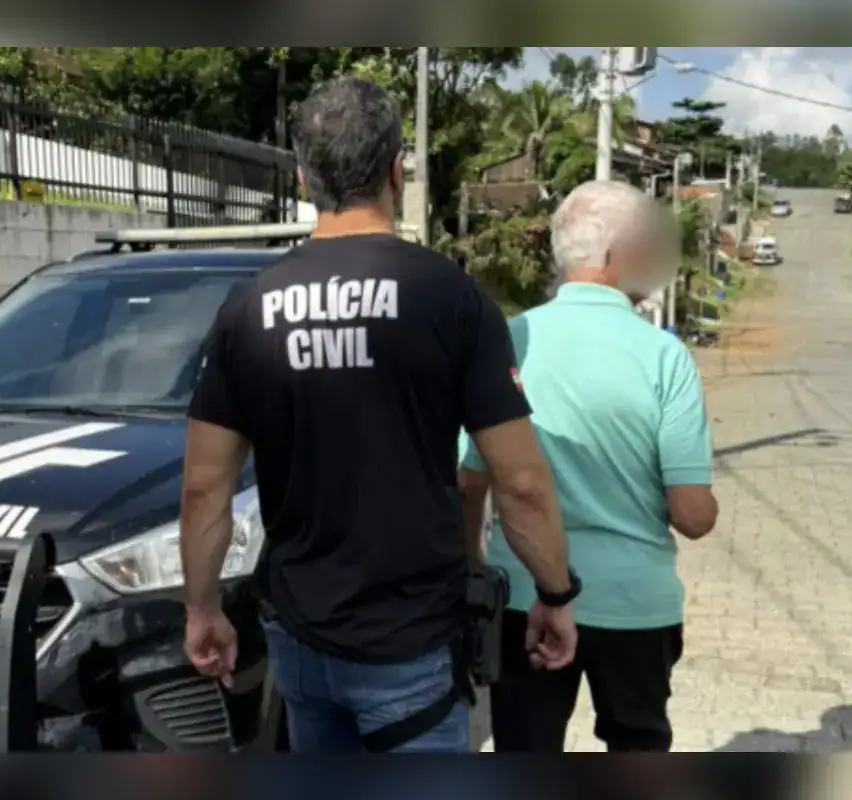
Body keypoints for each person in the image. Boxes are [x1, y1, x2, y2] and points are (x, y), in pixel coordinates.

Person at [177, 76, 580, 754]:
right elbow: (521, 482)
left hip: (299, 639)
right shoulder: (452, 299)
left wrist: (202, 606)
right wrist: (556, 594)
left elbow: (202, 487)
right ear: (397, 169)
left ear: (302, 178)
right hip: (413, 645)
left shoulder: (247, 309)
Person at [459, 179, 719, 753]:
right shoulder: (665, 356)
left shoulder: (509, 339)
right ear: (618, 254)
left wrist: (475, 565)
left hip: (523, 593)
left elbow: (468, 482)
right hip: (634, 604)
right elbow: (693, 515)